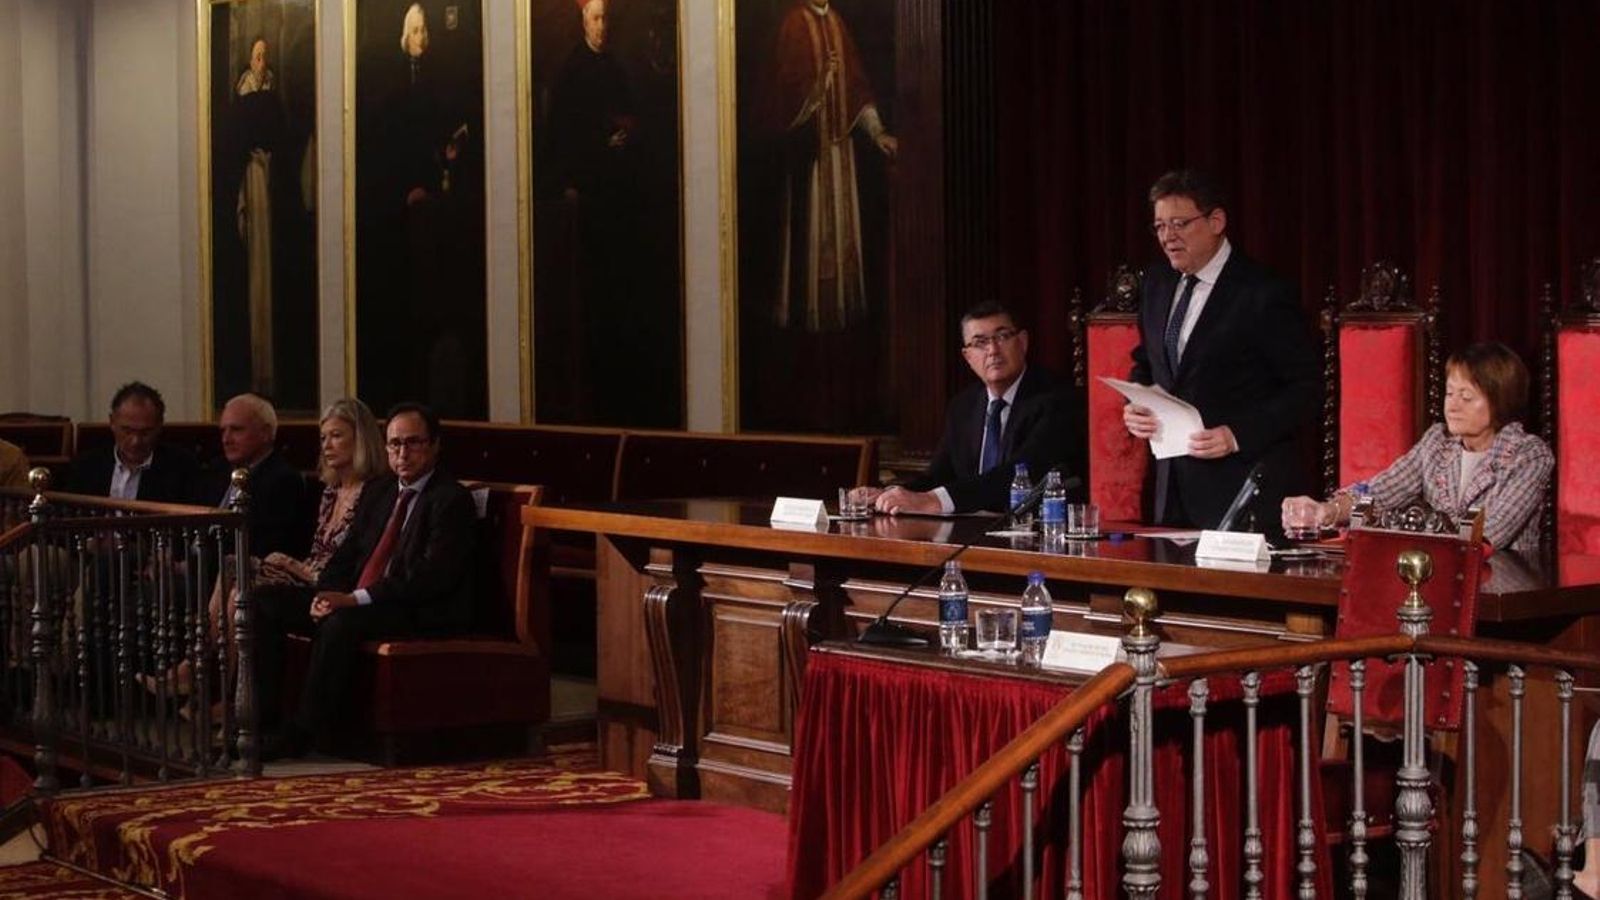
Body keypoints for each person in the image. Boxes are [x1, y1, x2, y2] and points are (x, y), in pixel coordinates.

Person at [253, 402, 475, 759]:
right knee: (263, 601)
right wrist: (325, 591)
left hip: (416, 609)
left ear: (435, 445)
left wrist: (355, 599)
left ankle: (305, 732)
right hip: (363, 598)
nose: (402, 453)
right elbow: (350, 552)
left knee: (341, 621)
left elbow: (429, 579)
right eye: (394, 444)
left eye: (413, 443)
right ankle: (261, 724)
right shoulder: (382, 491)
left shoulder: (450, 499)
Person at [144, 398, 388, 701]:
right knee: (234, 569)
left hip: (330, 584)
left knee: (244, 585)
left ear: (361, 439)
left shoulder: (376, 492)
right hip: (308, 571)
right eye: (323, 437)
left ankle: (217, 690)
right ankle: (202, 677)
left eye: (337, 436)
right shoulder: (331, 489)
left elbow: (351, 560)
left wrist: (289, 564)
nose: (327, 445)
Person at [1122, 169, 1319, 530]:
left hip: (1243, 487)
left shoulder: (1263, 292)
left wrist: (1236, 434)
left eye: (1179, 224)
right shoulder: (1157, 283)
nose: (1168, 237)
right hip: (1172, 489)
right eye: (1160, 227)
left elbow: (1305, 390)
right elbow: (1147, 362)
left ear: (1216, 221)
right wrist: (1136, 405)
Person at [1280, 342, 1553, 556]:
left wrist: (1401, 528)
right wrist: (1328, 511)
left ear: (1500, 401)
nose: (1453, 405)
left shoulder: (1528, 455)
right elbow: (1380, 490)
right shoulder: (1437, 441)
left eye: (1466, 397)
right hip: (1432, 571)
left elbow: (1491, 532)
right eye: (1449, 393)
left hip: (1502, 585)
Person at [850, 302, 1082, 515]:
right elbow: (938, 477)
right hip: (970, 536)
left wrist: (933, 501)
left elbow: (1018, 474)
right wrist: (888, 495)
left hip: (1036, 535)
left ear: (1022, 342)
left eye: (1002, 337)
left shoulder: (1058, 400)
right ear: (968, 356)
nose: (992, 350)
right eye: (980, 342)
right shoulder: (964, 406)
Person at [759, 0, 898, 333]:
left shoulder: (836, 22)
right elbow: (783, 93)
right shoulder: (794, 23)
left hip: (841, 152)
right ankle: (808, 313)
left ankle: (841, 312)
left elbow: (857, 87)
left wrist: (877, 131)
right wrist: (817, 89)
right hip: (809, 155)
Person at [234, 36, 286, 398]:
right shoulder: (246, 94)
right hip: (253, 181)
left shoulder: (274, 95)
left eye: (266, 55)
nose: (262, 60)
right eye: (256, 54)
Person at [194, 393, 307, 558]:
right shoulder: (216, 469)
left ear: (266, 433)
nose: (226, 439)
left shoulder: (283, 481)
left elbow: (256, 548)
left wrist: (190, 565)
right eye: (223, 430)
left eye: (236, 430)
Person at [64, 382, 198, 503]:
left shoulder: (181, 469)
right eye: (127, 431)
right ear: (112, 422)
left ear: (159, 426)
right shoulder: (86, 466)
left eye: (145, 433)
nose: (135, 442)